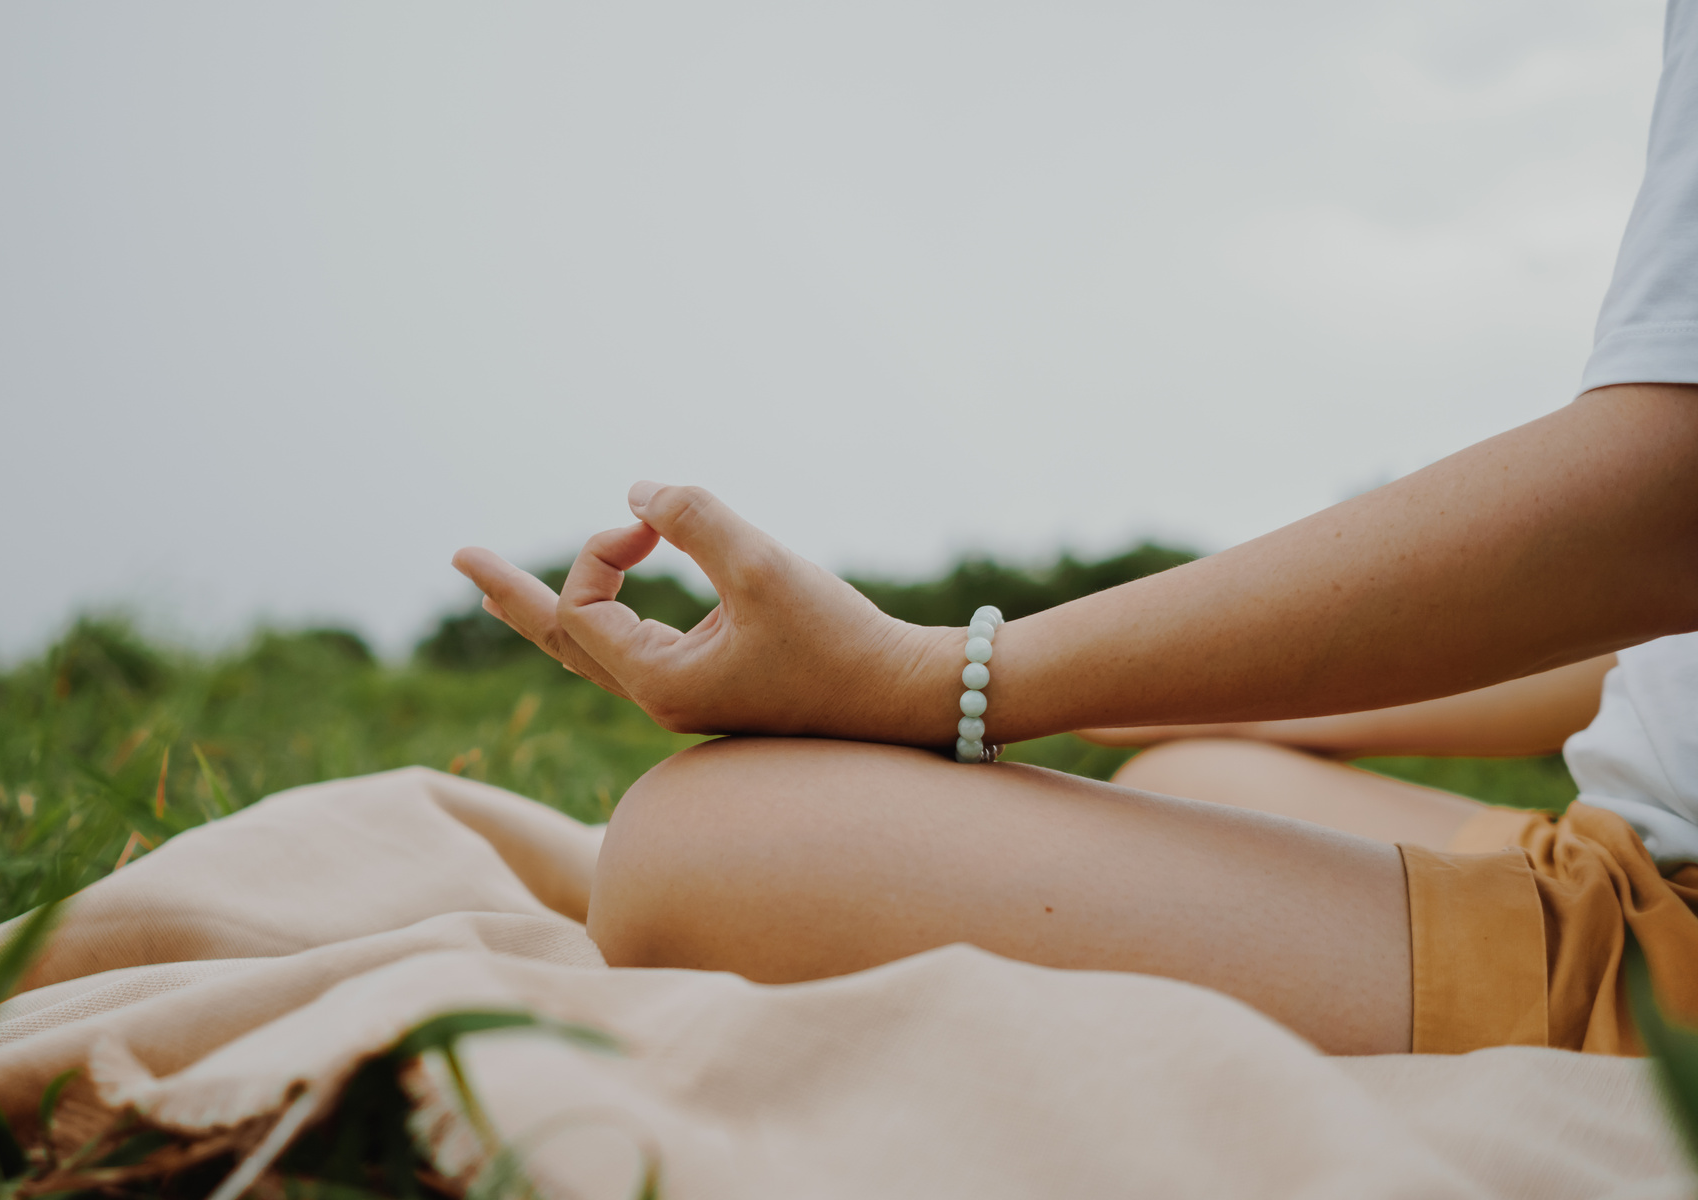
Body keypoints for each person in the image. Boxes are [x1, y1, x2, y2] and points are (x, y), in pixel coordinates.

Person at [453, 0, 1698, 1057]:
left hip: (1668, 948)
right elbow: (1653, 623)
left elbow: (1664, 509)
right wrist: (1237, 694)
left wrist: (930, 680)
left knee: (699, 845)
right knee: (1193, 776)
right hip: (1624, 845)